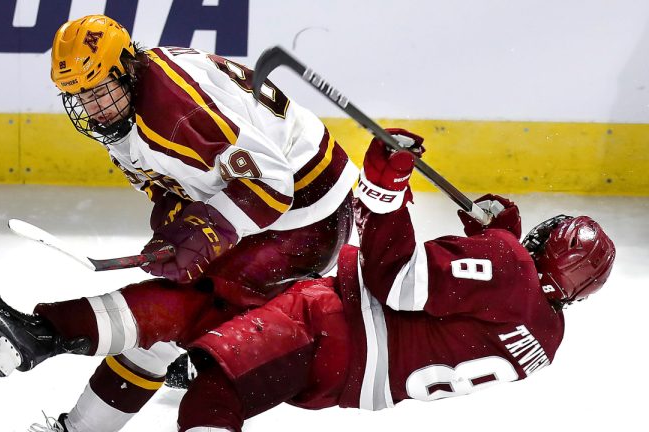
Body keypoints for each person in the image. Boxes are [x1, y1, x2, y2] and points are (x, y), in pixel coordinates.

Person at [0, 12, 358, 431]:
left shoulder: (175, 115)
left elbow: (273, 184)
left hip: (310, 213)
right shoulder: (126, 112)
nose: (91, 108)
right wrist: (176, 226)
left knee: (179, 302)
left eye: (98, 92)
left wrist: (205, 230)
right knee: (158, 336)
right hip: (270, 206)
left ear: (125, 70)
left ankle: (40, 334)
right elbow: (171, 184)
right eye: (78, 97)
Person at [167, 130, 616, 430]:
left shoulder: (510, 266)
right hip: (352, 383)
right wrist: (497, 241)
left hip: (338, 329)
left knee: (215, 390)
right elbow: (480, 314)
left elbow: (397, 281)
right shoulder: (548, 337)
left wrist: (385, 190)